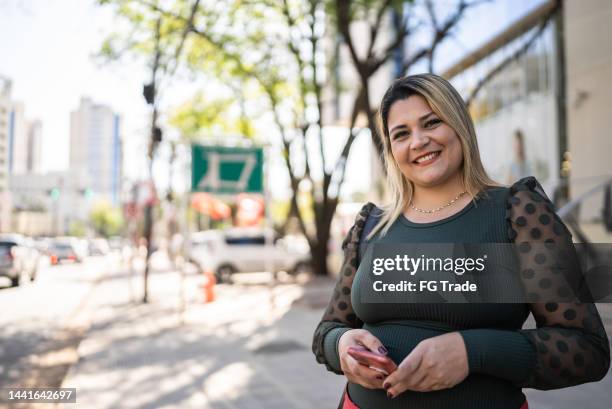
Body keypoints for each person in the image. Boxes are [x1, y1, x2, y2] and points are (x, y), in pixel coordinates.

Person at [312, 73, 610, 409]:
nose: (418, 141)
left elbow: (587, 350)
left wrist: (472, 352)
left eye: (432, 122)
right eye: (401, 134)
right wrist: (342, 348)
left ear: (459, 125)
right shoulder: (371, 226)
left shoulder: (518, 213)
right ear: (392, 150)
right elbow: (328, 330)